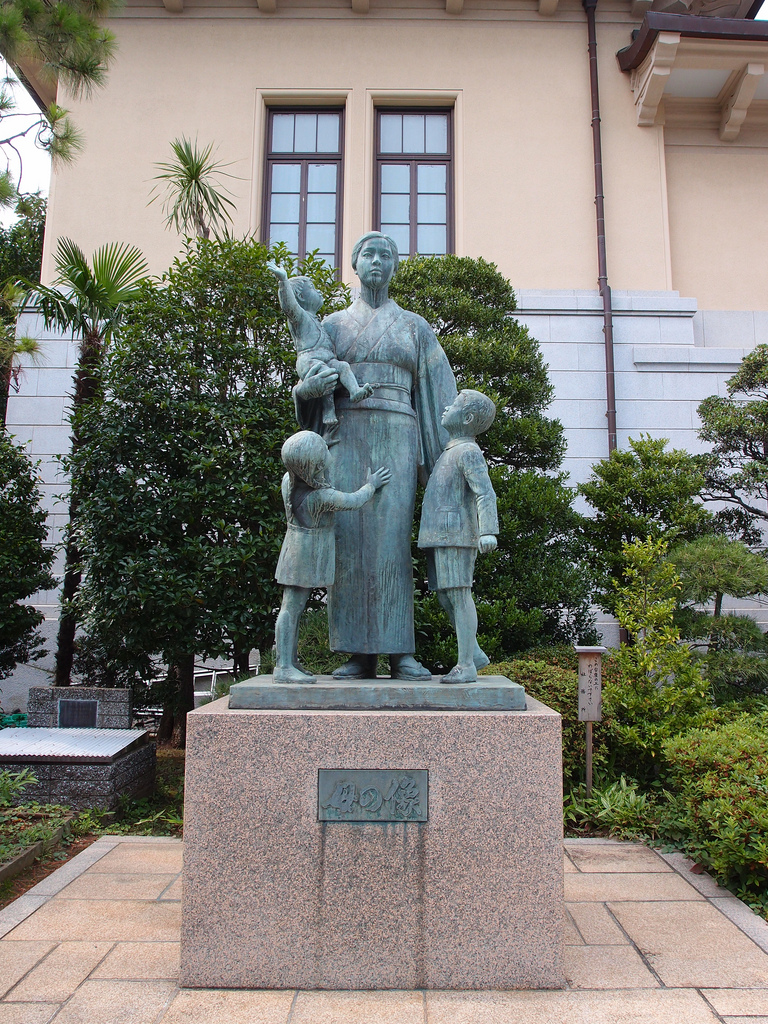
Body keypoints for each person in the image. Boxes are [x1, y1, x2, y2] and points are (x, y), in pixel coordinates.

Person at [293, 232, 457, 680]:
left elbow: (438, 393)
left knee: (391, 543)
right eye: (369, 254)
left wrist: (445, 456)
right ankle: (356, 653)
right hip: (345, 435)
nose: (377, 262)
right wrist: (307, 391)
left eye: (386, 255)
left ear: (396, 266)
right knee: (347, 541)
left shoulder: (414, 327)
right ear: (354, 263)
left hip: (399, 437)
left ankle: (399, 650)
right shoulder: (331, 325)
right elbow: (308, 379)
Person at [273, 430, 390, 684]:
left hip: (293, 548)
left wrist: (322, 443)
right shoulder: (321, 497)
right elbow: (354, 500)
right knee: (291, 608)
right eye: (324, 452)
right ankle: (283, 666)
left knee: (291, 608)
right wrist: (371, 484)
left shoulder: (288, 481)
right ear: (315, 466)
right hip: (306, 555)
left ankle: (289, 661)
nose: (329, 454)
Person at [418, 390, 499, 684]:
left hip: (456, 532)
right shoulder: (450, 450)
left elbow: (484, 492)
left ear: (466, 418)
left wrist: (487, 529)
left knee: (459, 593)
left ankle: (466, 664)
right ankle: (473, 652)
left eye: (453, 404)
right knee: (444, 595)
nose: (445, 407)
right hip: (439, 533)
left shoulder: (468, 451)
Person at [268, 261, 373, 438]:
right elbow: (288, 307)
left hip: (327, 359)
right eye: (313, 289)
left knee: (343, 367)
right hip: (311, 361)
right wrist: (283, 282)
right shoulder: (300, 318)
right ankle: (328, 412)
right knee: (325, 376)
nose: (319, 292)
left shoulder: (321, 322)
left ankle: (355, 391)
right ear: (300, 296)